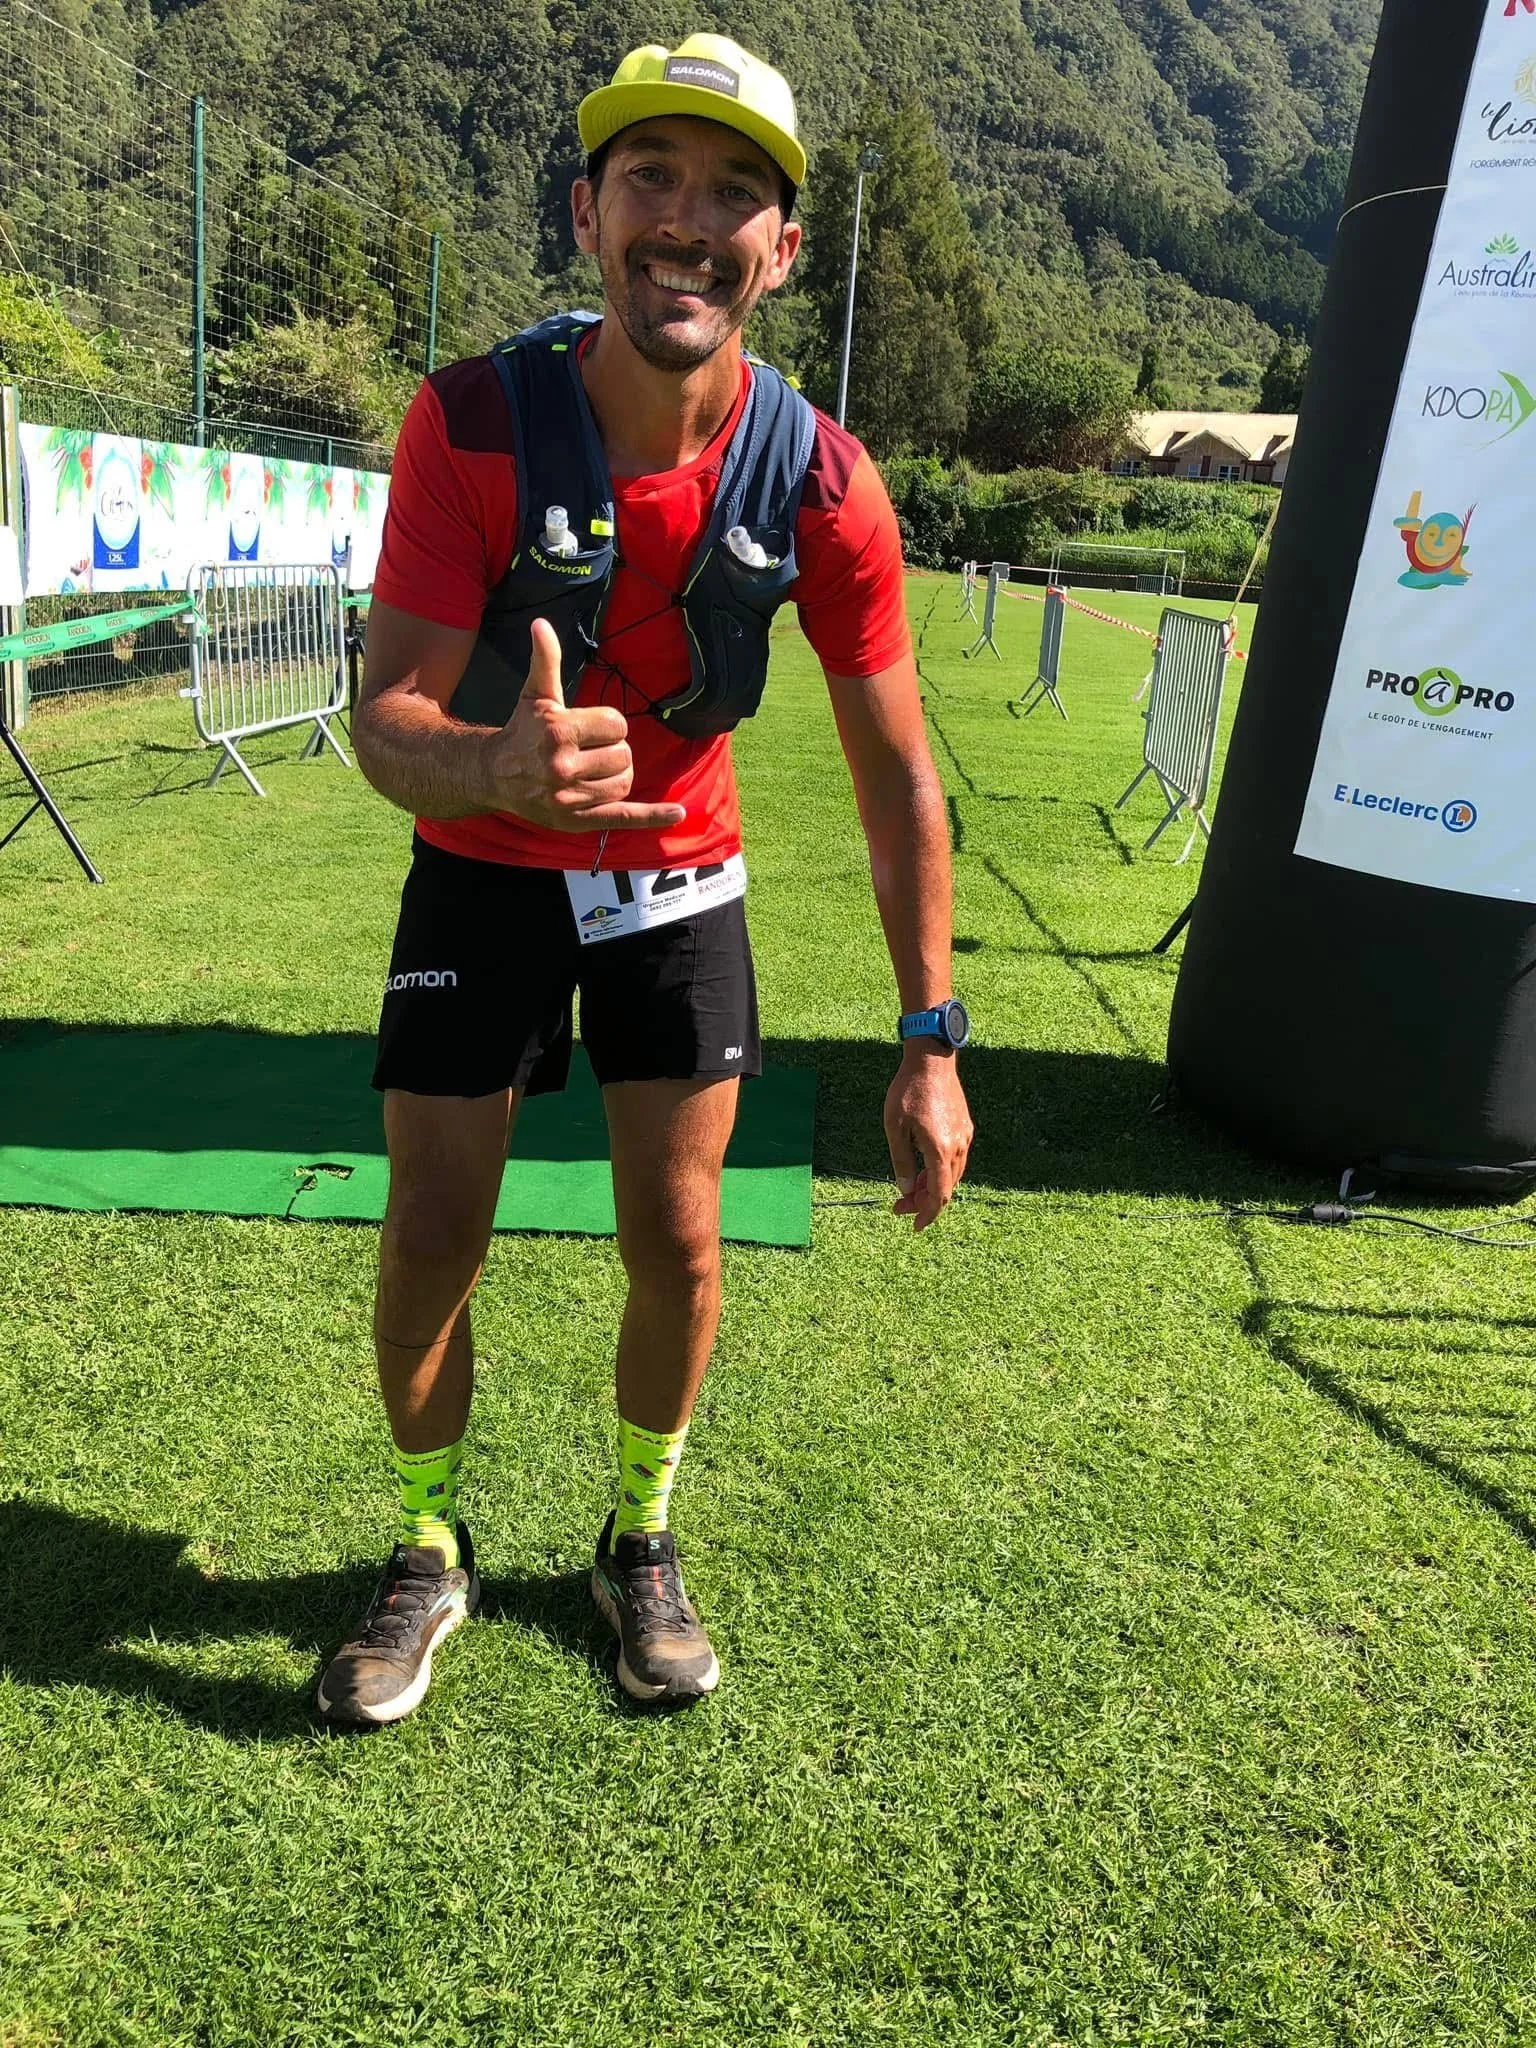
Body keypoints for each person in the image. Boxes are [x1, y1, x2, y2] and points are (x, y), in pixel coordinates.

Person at [317, 32, 973, 1727]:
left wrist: (933, 1033)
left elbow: (899, 772)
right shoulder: (471, 420)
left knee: (677, 1236)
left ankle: (638, 1536)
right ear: (591, 212)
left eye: (734, 191)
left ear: (784, 249)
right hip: (476, 870)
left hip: (679, 880)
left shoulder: (825, 481)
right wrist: (492, 765)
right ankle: (427, 1547)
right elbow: (379, 717)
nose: (690, 221)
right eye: (654, 181)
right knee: (431, 1232)